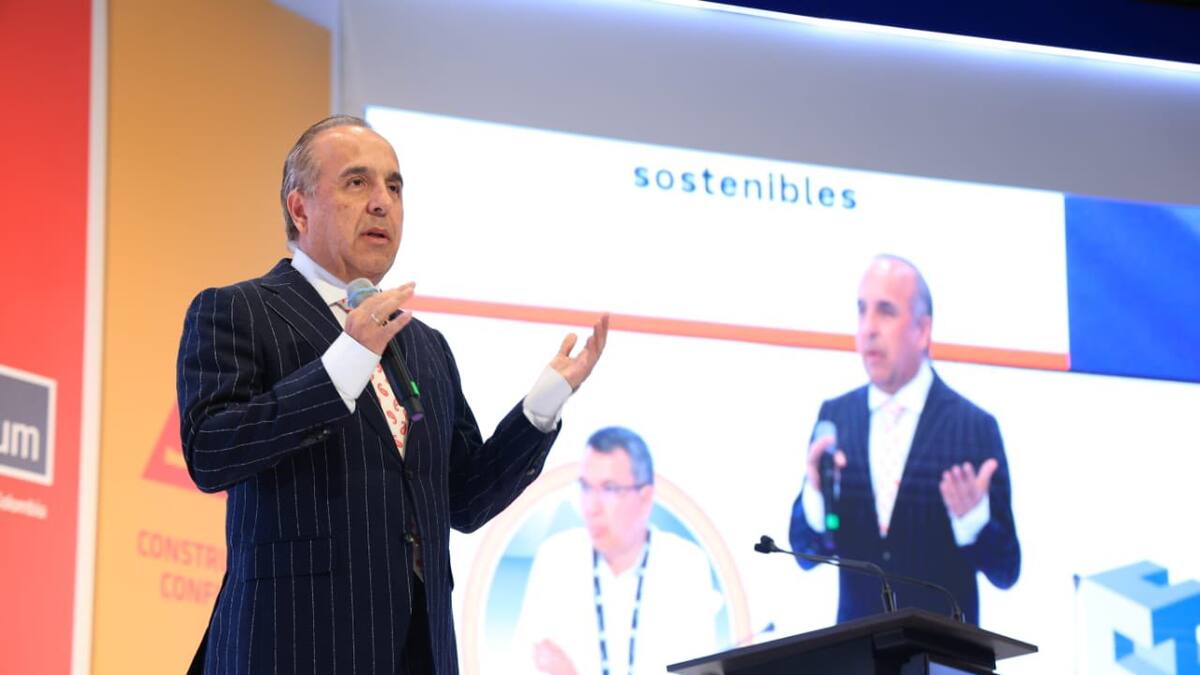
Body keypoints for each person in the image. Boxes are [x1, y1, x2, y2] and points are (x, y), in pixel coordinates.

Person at [177, 114, 609, 675]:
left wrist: (541, 407)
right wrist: (345, 363)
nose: (382, 202)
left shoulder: (425, 346)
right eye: (357, 182)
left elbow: (464, 501)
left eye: (394, 186)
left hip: (418, 652)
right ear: (300, 209)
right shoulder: (239, 310)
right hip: (292, 647)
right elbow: (211, 452)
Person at [788, 255, 1020, 625]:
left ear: (922, 330)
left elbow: (1006, 570)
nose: (868, 328)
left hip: (943, 652)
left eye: (885, 311)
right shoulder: (836, 418)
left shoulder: (973, 427)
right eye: (862, 311)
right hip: (858, 651)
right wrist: (816, 494)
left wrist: (973, 520)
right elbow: (804, 551)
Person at [511, 426, 723, 675]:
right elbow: (522, 665)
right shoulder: (557, 557)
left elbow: (699, 671)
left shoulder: (684, 563)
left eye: (609, 489)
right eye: (586, 487)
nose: (592, 506)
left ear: (645, 497)